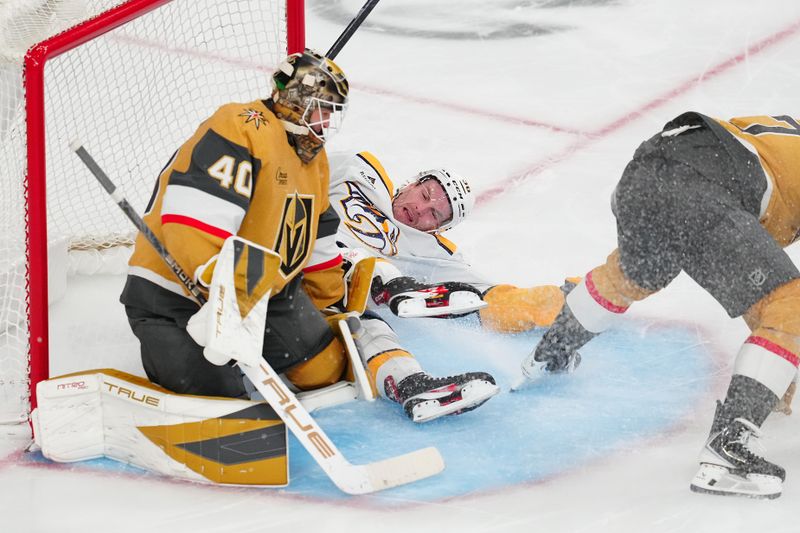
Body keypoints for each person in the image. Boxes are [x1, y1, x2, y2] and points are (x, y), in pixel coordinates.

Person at [120, 49, 497, 424]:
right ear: (292, 100)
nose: (327, 121)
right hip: (176, 294)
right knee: (221, 403)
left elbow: (317, 245)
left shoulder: (312, 162)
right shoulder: (239, 126)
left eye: (333, 112)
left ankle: (396, 371)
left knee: (325, 369)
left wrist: (328, 306)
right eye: (321, 108)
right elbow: (194, 222)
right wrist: (220, 295)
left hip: (263, 293)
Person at [519, 112, 800, 499]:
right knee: (793, 305)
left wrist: (776, 370)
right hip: (703, 184)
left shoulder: (787, 133)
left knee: (633, 275)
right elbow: (778, 303)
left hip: (647, 171)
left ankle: (550, 353)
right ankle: (729, 451)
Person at [329, 151, 572, 332]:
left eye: (433, 214)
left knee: (380, 276)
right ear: (412, 183)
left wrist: (562, 302)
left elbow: (494, 299)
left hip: (333, 290)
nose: (420, 209)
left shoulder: (433, 254)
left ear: (438, 228)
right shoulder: (359, 170)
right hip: (302, 249)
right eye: (424, 196)